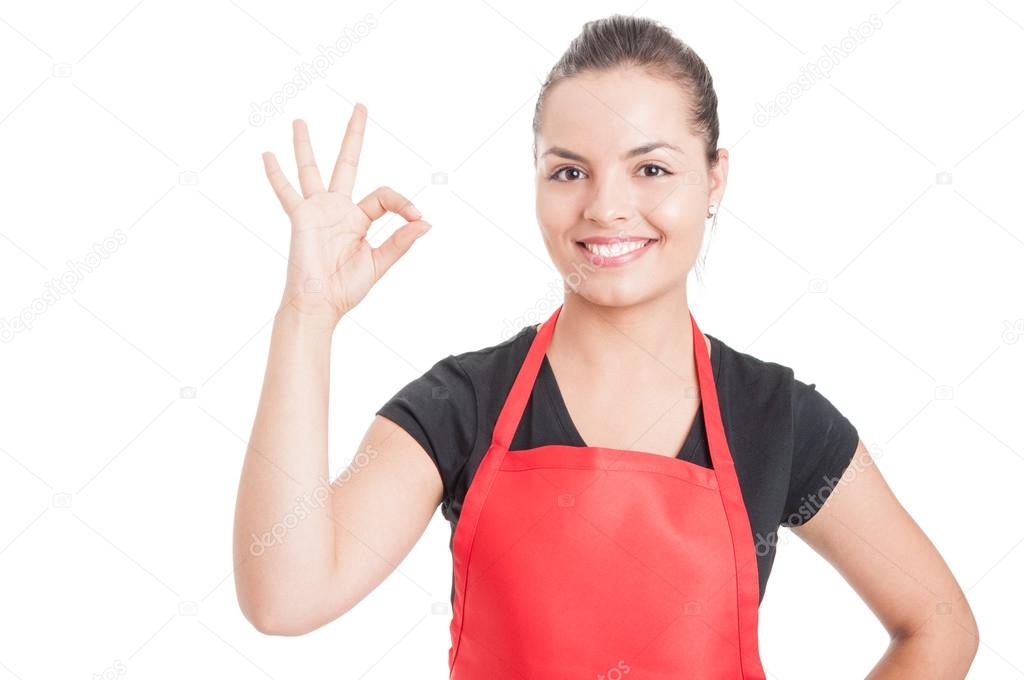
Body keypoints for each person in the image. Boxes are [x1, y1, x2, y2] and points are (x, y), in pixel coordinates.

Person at [233, 14, 979, 678]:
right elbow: (285, 596)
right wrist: (307, 315)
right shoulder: (461, 406)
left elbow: (940, 628)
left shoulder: (777, 420)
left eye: (651, 168)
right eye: (568, 171)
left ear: (715, 178)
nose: (606, 207)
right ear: (535, 181)